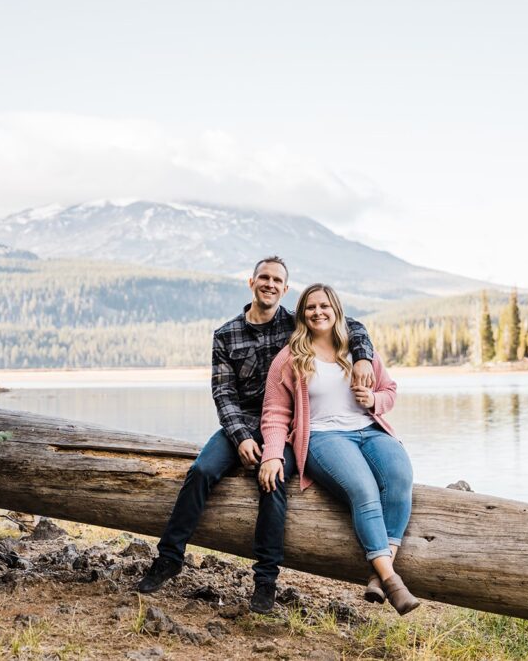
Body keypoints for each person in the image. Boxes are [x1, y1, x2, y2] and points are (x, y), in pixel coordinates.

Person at [136, 257, 377, 615]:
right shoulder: (226, 334)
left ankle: (265, 582)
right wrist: (241, 438)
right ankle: (169, 558)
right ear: (251, 283)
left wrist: (363, 357)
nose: (270, 284)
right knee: (202, 471)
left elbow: (350, 325)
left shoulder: (296, 323)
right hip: (244, 424)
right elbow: (223, 395)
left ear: (285, 288)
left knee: (274, 480)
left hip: (287, 427)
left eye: (277, 280)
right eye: (264, 278)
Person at [258, 283, 419, 615]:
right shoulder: (290, 357)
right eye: (310, 307)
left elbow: (389, 390)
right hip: (322, 436)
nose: (318, 312)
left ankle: (377, 572)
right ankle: (391, 581)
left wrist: (374, 400)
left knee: (400, 477)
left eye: (324, 306)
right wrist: (273, 453)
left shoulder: (359, 351)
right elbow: (274, 413)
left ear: (336, 310)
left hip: (369, 430)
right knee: (363, 489)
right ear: (302, 314)